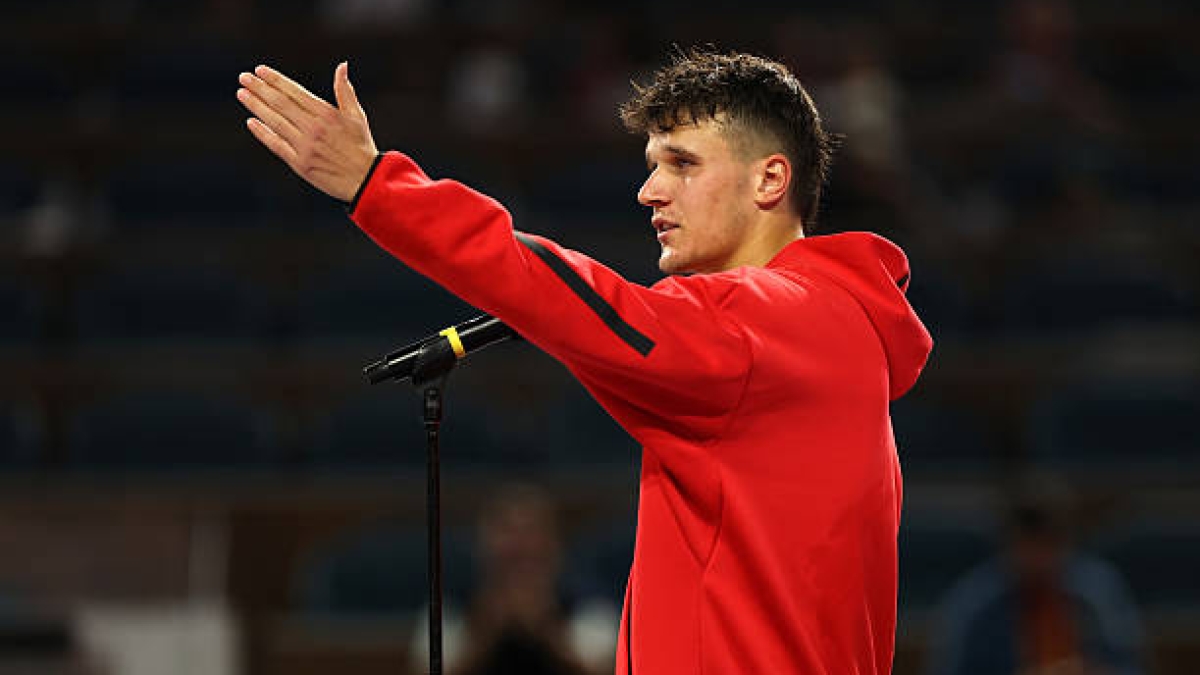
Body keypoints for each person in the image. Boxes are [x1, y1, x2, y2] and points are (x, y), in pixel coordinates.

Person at [236, 49, 932, 675]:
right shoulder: (840, 321)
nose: (650, 192)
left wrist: (376, 186)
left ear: (769, 179)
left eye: (683, 163)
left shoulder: (762, 319)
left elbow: (564, 297)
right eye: (652, 166)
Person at [925, 476, 1144, 675]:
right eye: (1030, 547)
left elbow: (1131, 667)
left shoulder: (1098, 592)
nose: (1040, 560)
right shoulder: (975, 605)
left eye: (1050, 546)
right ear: (1009, 545)